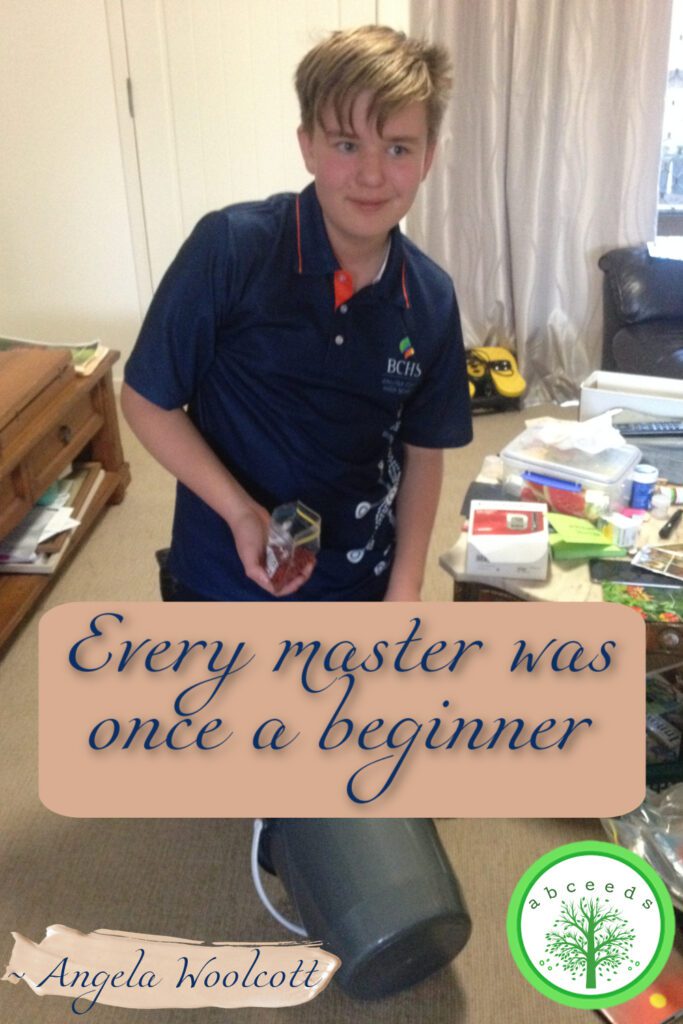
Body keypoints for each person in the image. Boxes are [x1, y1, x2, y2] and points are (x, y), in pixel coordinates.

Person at [122, 24, 472, 603]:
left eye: (398, 148)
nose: (372, 174)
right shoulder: (231, 248)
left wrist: (405, 587)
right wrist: (239, 512)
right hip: (222, 580)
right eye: (346, 144)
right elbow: (145, 399)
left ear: (429, 157)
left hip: (360, 585)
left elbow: (423, 452)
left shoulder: (430, 298)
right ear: (307, 144)